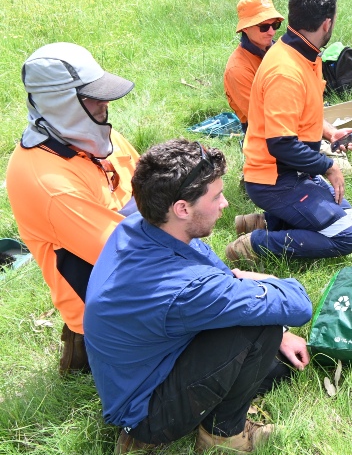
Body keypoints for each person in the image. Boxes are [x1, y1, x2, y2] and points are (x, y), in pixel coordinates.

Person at [84, 139, 313, 453]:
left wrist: (281, 332)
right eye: (216, 196)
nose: (225, 204)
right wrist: (268, 280)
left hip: (146, 368)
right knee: (263, 327)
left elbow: (212, 269)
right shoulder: (184, 288)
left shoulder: (142, 223)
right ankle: (222, 437)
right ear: (182, 208)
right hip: (148, 414)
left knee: (276, 361)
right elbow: (299, 305)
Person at [5, 42, 138, 375]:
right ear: (62, 105)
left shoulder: (97, 135)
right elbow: (131, 254)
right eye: (94, 98)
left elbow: (153, 189)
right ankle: (85, 351)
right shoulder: (46, 181)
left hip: (129, 277)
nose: (106, 103)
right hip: (107, 309)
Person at [226, 0, 352, 264]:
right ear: (327, 23)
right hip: (276, 180)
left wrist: (331, 134)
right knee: (346, 236)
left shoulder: (303, 53)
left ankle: (266, 223)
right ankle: (255, 243)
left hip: (294, 171)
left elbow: (300, 117)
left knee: (349, 218)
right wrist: (328, 166)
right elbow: (281, 145)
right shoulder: (285, 71)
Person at [224, 0, 285, 131]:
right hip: (265, 135)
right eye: (264, 27)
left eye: (275, 25)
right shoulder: (237, 69)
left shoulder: (281, 51)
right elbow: (261, 118)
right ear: (245, 28)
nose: (271, 32)